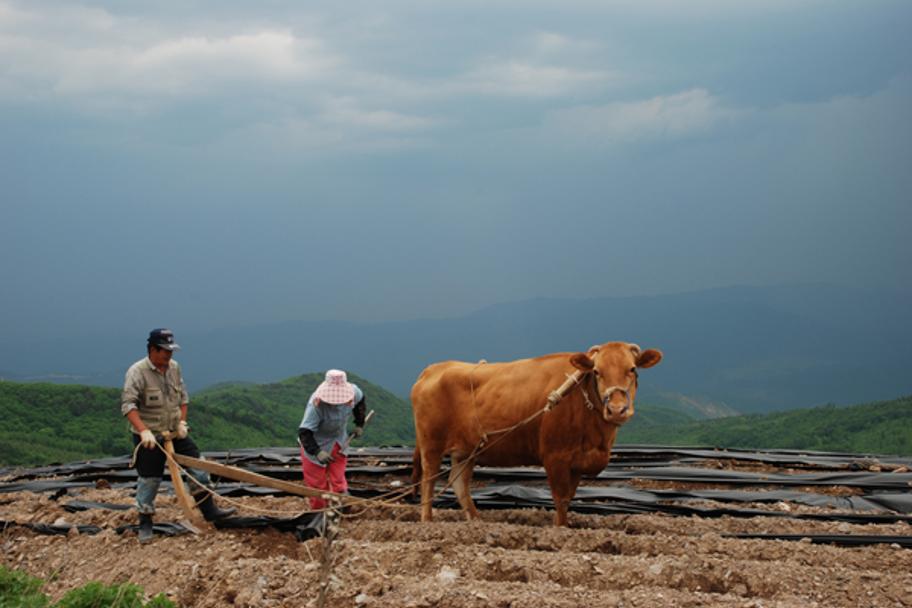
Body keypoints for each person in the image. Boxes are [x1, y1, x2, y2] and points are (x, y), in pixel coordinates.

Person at [121, 328, 235, 543]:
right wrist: (143, 430)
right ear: (152, 350)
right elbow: (128, 406)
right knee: (150, 480)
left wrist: (182, 421)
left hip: (174, 432)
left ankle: (209, 510)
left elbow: (183, 398)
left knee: (199, 469)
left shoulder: (174, 368)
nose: (168, 355)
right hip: (150, 436)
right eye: (164, 351)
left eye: (170, 351)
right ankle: (145, 522)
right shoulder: (137, 372)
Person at [297, 369, 366, 510]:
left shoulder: (354, 393)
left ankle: (340, 506)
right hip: (317, 443)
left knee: (338, 478)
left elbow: (360, 403)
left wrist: (359, 424)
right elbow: (304, 432)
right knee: (317, 485)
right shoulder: (316, 405)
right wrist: (317, 452)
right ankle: (319, 512)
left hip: (339, 441)